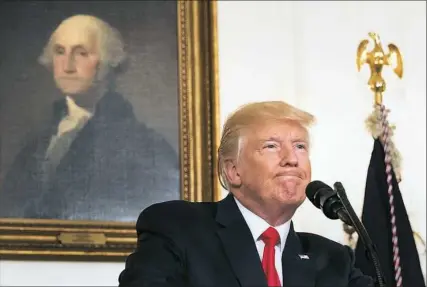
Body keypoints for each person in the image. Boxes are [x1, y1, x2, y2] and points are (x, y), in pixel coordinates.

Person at [118, 101, 374, 286]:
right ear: (233, 171)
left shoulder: (334, 260)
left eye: (300, 146)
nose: (291, 159)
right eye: (271, 146)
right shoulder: (178, 228)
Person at [0, 15, 179, 222]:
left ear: (106, 62)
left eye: (81, 53)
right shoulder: (36, 143)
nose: (67, 65)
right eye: (59, 52)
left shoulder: (145, 147)